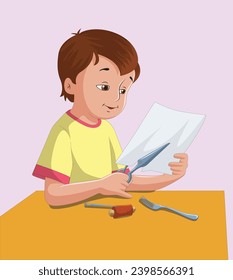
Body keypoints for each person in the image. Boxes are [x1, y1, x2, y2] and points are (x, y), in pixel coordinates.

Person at [33, 29, 188, 206]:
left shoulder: (106, 129)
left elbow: (124, 181)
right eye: (104, 87)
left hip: (107, 214)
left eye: (122, 90)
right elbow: (53, 194)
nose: (116, 98)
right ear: (70, 85)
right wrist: (99, 186)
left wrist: (170, 177)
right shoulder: (64, 132)